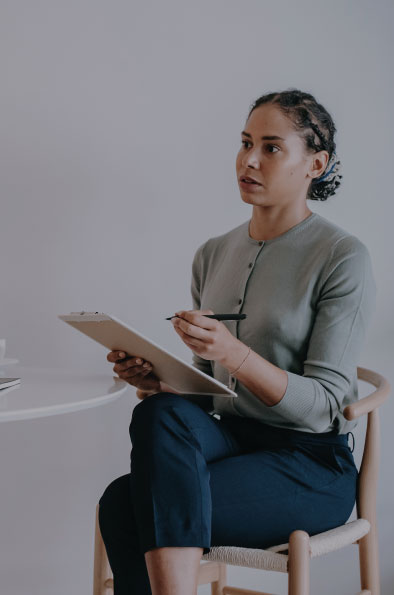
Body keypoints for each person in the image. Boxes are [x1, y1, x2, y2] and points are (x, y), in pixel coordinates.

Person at [98, 90, 375, 594]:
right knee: (158, 415)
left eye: (271, 148)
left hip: (310, 464)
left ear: (316, 164)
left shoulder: (342, 257)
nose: (248, 160)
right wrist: (159, 379)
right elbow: (209, 395)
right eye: (245, 143)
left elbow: (324, 408)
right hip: (233, 441)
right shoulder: (213, 253)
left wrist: (234, 353)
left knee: (126, 504)